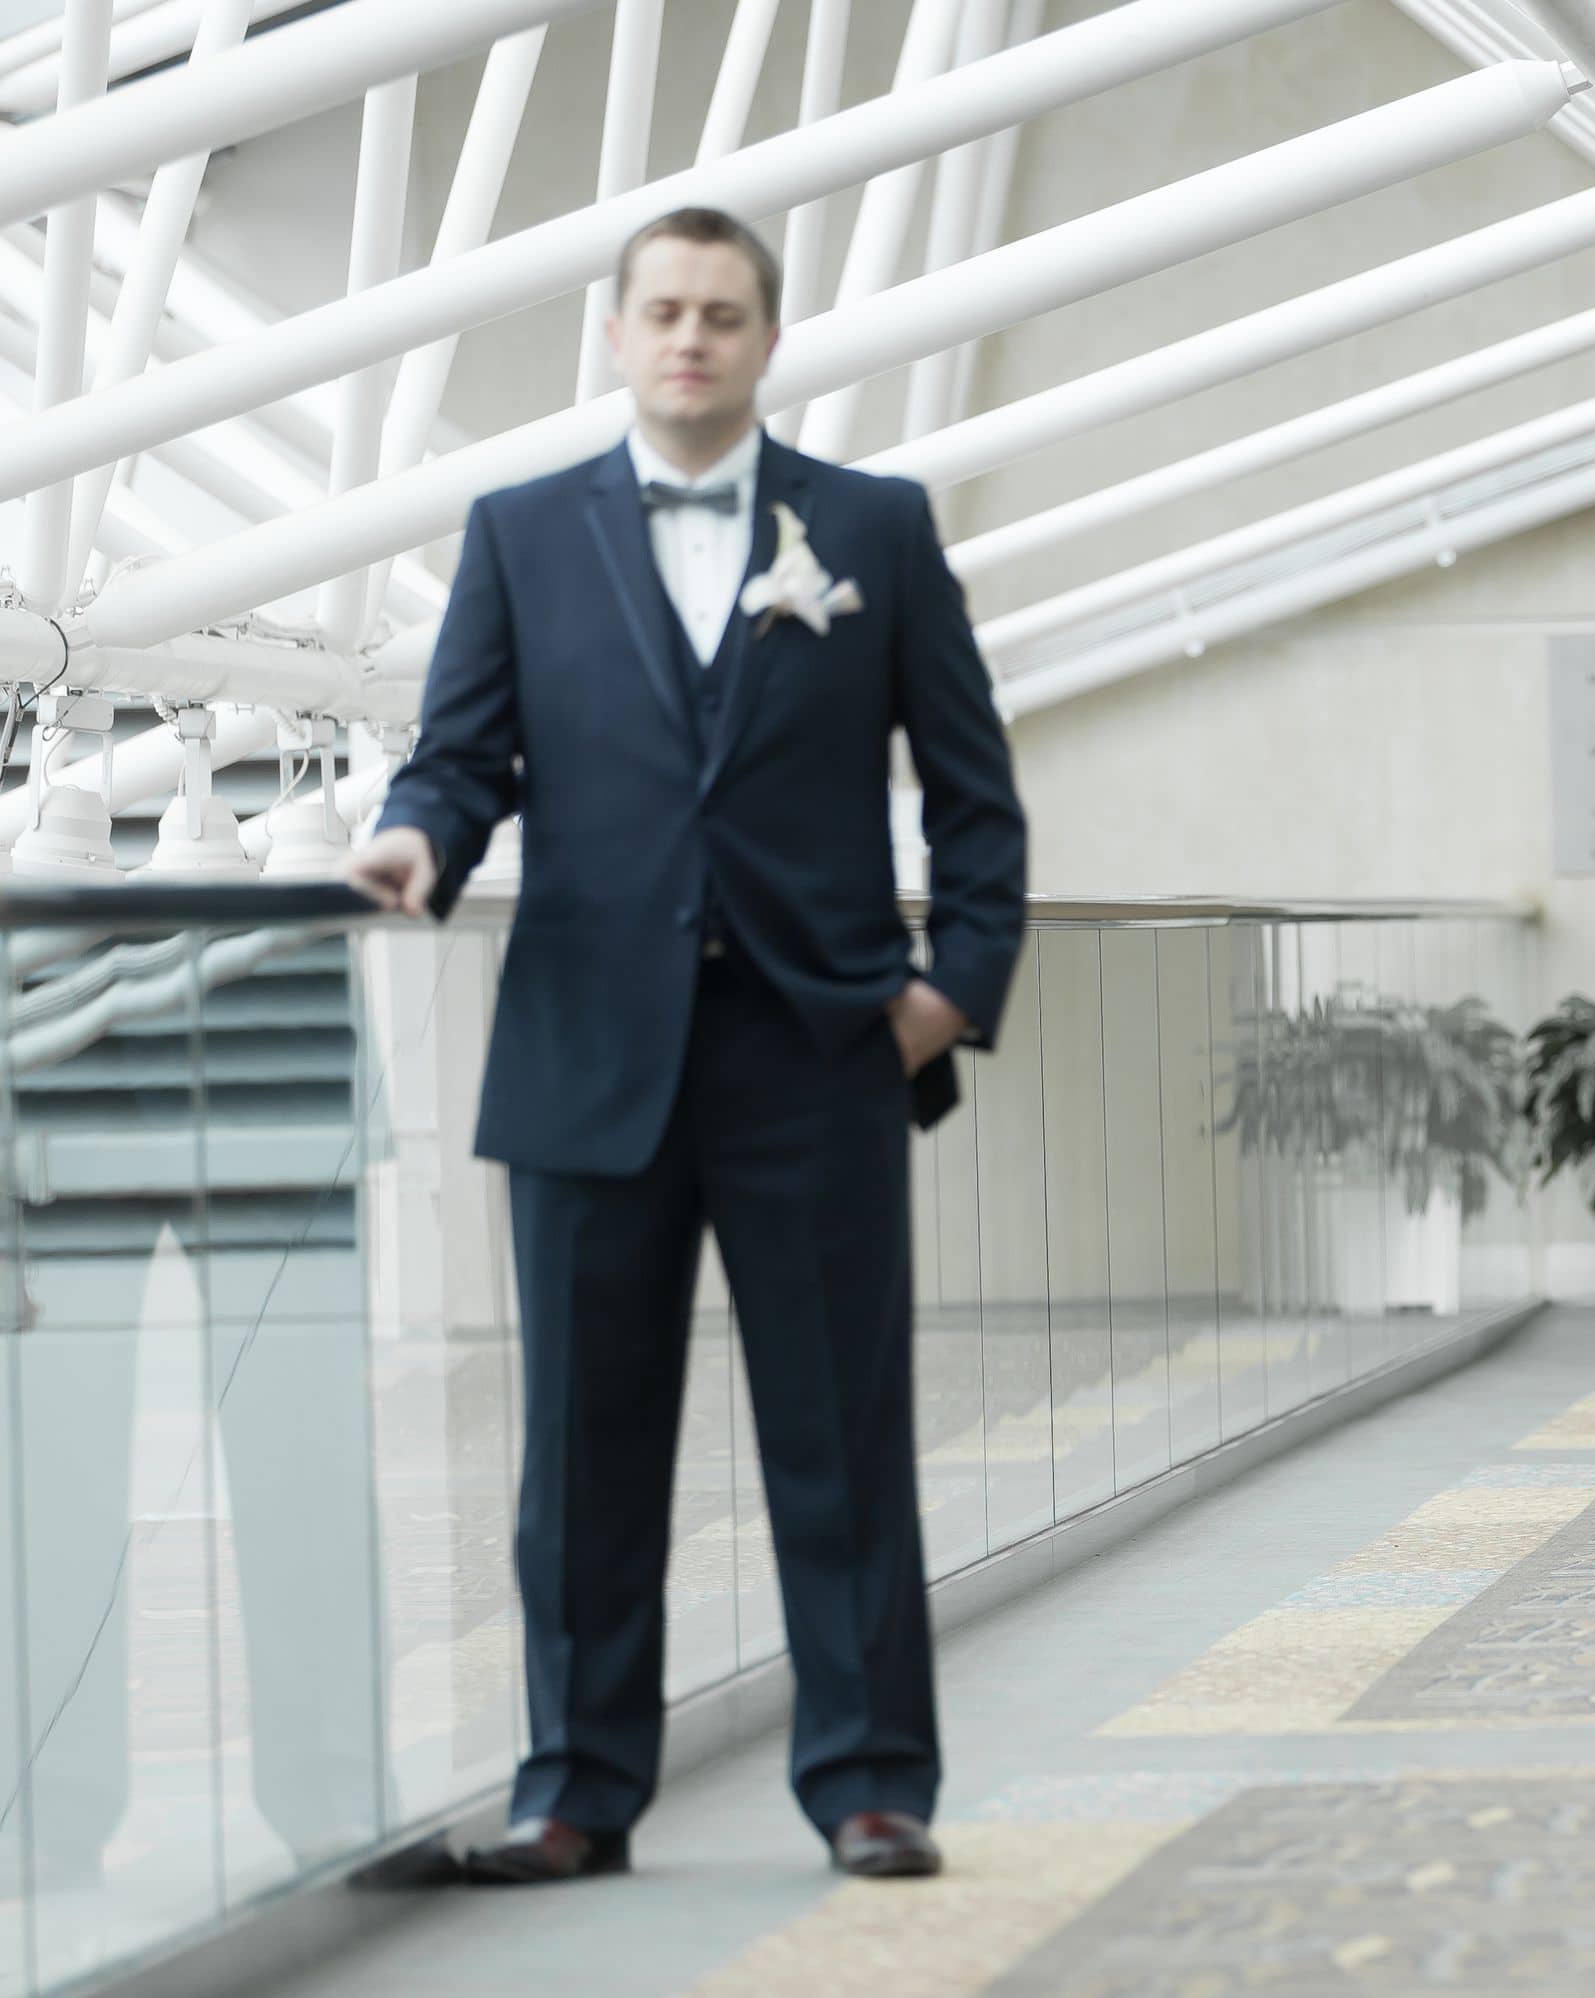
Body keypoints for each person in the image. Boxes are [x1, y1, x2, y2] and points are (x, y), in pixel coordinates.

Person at [346, 206, 1028, 1880]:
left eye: (724, 314)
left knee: (842, 1433)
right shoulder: (519, 534)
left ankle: (872, 1781)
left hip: (819, 1055)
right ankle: (576, 1791)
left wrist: (954, 989)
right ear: (617, 331)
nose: (692, 339)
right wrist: (418, 845)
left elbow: (973, 789)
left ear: (769, 339)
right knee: (581, 1453)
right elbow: (463, 756)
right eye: (664, 311)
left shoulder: (872, 524)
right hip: (589, 1055)